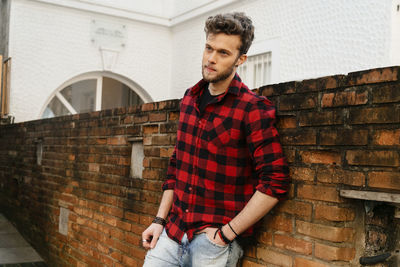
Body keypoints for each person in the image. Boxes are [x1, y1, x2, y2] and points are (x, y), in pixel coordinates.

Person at [142, 12, 290, 267]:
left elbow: (276, 180)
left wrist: (226, 235)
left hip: (212, 245)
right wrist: (159, 221)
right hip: (172, 233)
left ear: (240, 59)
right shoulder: (190, 99)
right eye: (209, 48)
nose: (211, 59)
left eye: (223, 53)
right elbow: (177, 165)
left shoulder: (252, 108)